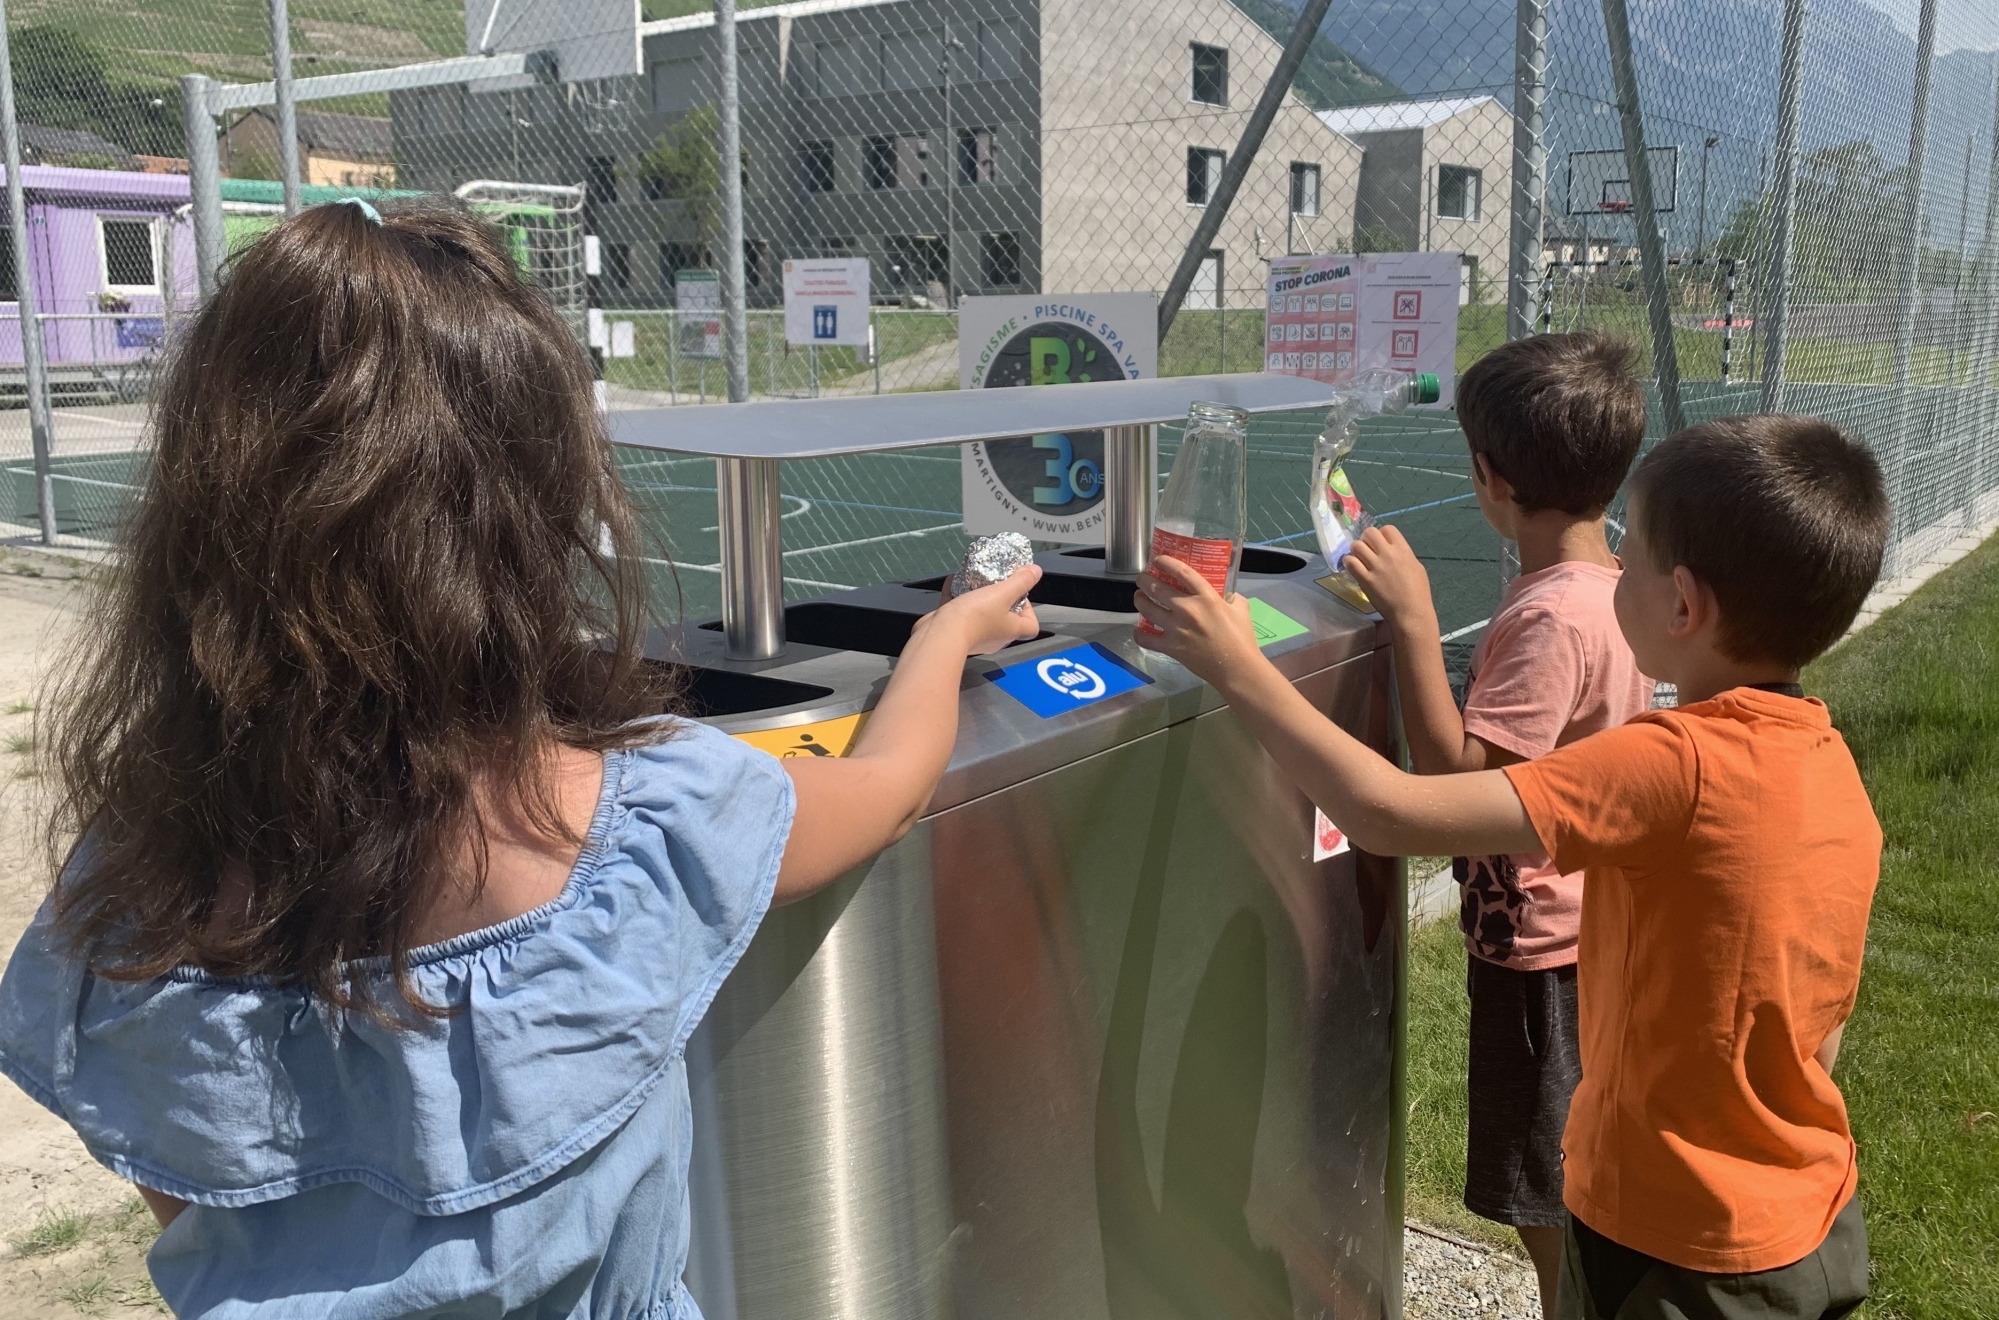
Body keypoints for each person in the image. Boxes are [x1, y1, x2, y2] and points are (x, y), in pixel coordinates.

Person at [0, 201, 1041, 1319]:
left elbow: (182, 1177)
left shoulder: (136, 881)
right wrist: (946, 639)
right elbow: (886, 789)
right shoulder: (642, 825)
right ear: (527, 518)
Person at [1135, 413, 1888, 1320]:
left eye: (1629, 555)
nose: (1613, 571)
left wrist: (1235, 665)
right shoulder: (1826, 763)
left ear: (1682, 605)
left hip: (1673, 1245)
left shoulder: (1670, 764)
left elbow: (1391, 812)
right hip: (1808, 1217)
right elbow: (1820, 1024)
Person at [1338, 332, 1650, 1316]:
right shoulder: (1614, 592)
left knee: (1545, 1186)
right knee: (1563, 1170)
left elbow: (1460, 784)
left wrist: (1414, 620)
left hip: (1539, 955)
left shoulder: (1549, 619)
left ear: (1488, 478)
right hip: (1590, 936)